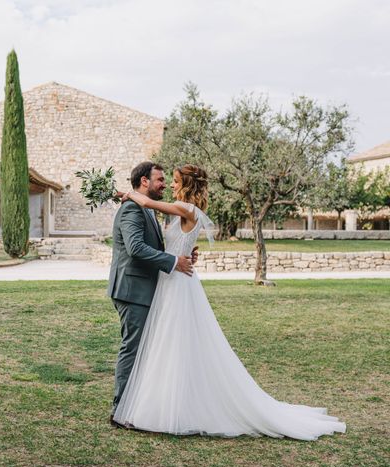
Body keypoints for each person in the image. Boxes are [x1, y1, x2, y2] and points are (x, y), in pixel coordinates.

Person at [112, 164, 346, 440]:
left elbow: (149, 202)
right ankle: (153, 403)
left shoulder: (185, 209)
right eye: (166, 180)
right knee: (166, 344)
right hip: (170, 282)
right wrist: (182, 252)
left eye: (174, 181)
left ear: (186, 184)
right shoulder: (184, 210)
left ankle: (161, 406)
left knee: (172, 344)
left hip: (176, 284)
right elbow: (166, 239)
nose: (171, 185)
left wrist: (124, 193)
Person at [107, 161, 198, 427]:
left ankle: (136, 406)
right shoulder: (132, 209)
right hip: (133, 290)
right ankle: (119, 411)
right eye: (159, 179)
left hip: (147, 290)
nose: (164, 185)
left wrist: (181, 254)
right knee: (133, 349)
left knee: (146, 350)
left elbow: (153, 244)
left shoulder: (146, 209)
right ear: (144, 182)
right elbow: (135, 248)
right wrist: (173, 263)